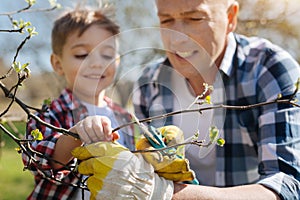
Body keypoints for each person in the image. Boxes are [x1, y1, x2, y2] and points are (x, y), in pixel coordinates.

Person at [131, 0, 300, 199]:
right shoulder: (150, 86)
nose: (176, 39)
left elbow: (287, 185)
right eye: (167, 20)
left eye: (194, 18)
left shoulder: (268, 70)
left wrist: (165, 195)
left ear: (230, 18)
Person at [22, 8, 135, 199]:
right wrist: (75, 134)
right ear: (58, 64)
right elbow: (39, 160)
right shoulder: (50, 113)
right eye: (82, 55)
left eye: (107, 55)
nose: (97, 63)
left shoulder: (124, 117)